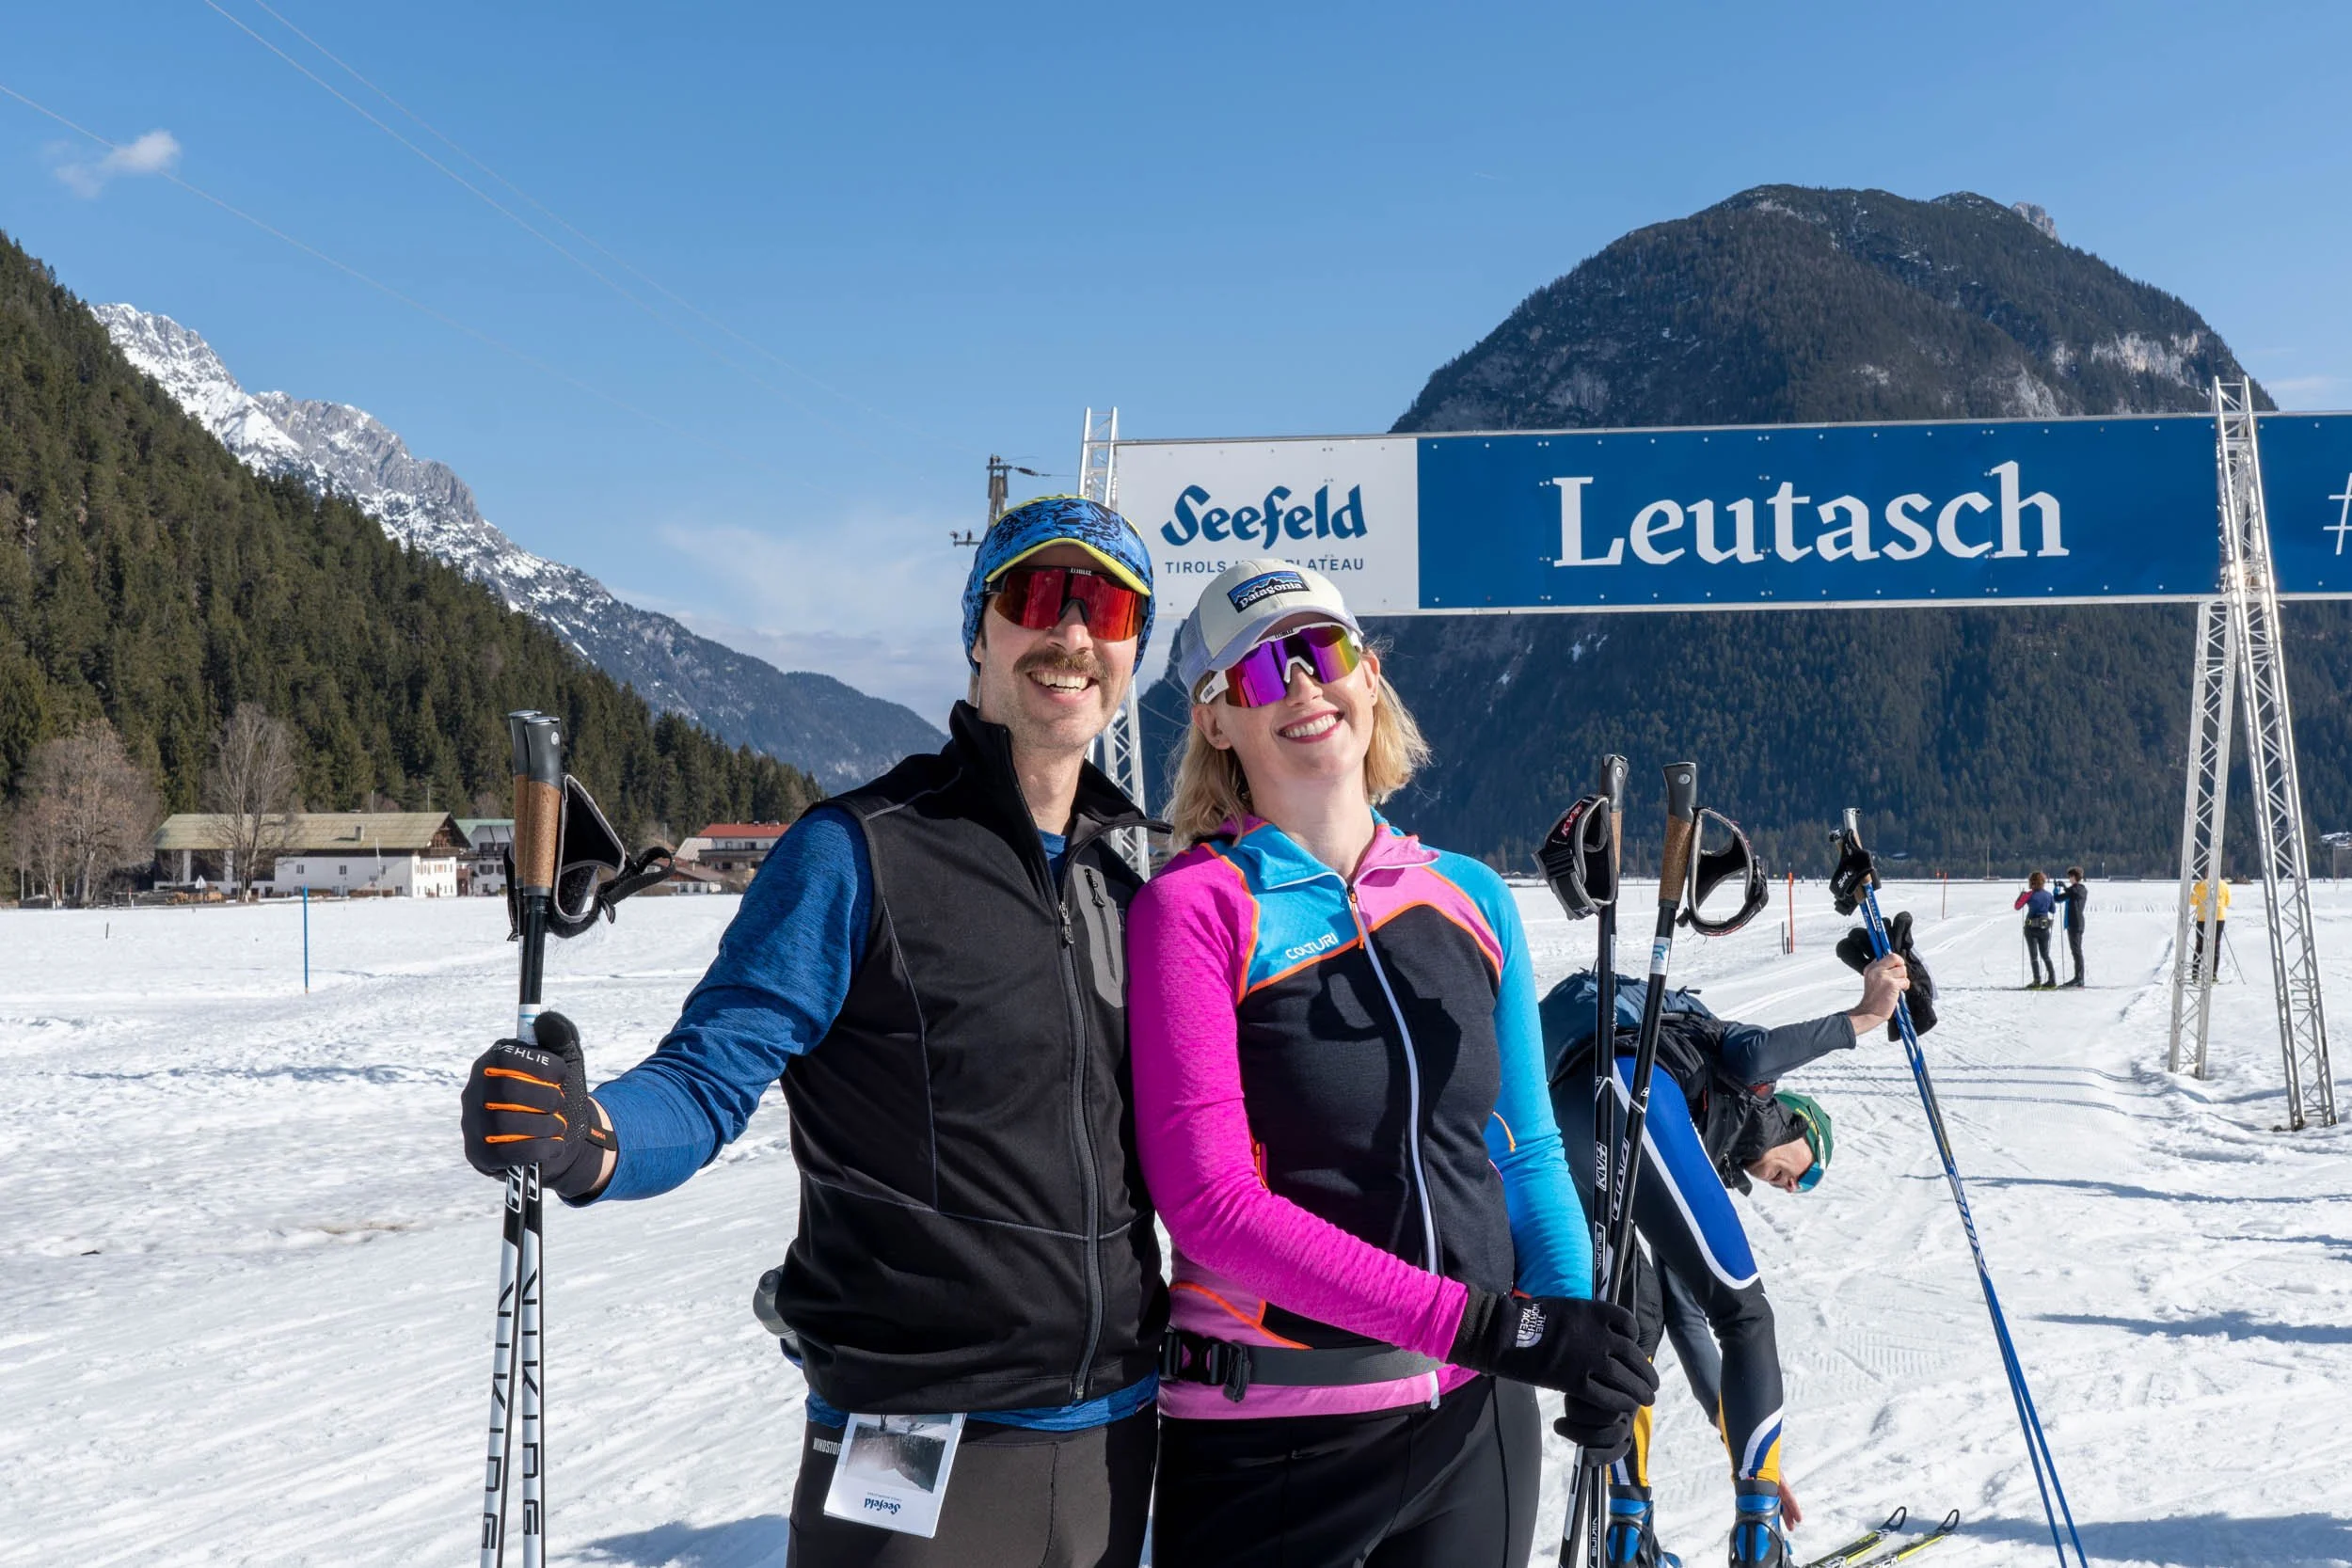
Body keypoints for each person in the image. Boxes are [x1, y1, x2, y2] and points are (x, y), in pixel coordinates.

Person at [460, 496, 1170, 1568]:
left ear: (1131, 652)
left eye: (1105, 607)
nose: (1071, 633)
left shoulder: (1127, 882)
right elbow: (707, 1075)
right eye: (1036, 596)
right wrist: (586, 1135)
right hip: (910, 1441)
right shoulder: (858, 852)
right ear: (980, 629)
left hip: (1118, 1438)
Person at [1127, 560, 1657, 1568]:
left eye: (1322, 651)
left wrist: (1570, 1321)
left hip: (1473, 1425)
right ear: (1215, 721)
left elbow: (1524, 1148)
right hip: (1270, 1437)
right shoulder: (1194, 908)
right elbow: (1211, 1208)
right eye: (1257, 672)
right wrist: (1500, 1326)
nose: (1300, 685)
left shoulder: (1465, 893)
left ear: (1368, 675)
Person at [1542, 914, 1927, 1568]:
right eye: (1804, 1170)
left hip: (1568, 1116)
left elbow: (1693, 1329)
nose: (1788, 1183)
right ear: (1802, 1125)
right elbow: (1755, 1053)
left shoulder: (1706, 1144)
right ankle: (1758, 1544)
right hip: (1629, 1085)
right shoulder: (1759, 1101)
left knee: (1633, 1326)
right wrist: (1863, 1017)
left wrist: (1747, 1446)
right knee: (1748, 1312)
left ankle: (1628, 1534)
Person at [2016, 870, 2058, 990]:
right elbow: (2053, 910)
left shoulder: (2029, 895)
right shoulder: (2048, 895)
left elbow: (2017, 906)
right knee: (2045, 955)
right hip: (2044, 928)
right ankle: (2052, 980)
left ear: (2032, 882)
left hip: (2031, 928)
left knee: (2034, 956)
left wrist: (2021, 896)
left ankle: (2037, 981)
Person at [2189, 874, 2231, 978]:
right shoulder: (2224, 885)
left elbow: (2192, 901)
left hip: (2203, 918)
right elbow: (2227, 902)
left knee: (2200, 945)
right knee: (2216, 945)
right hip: (2219, 917)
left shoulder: (2200, 885)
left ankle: (2195, 973)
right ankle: (2213, 974)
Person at [2056, 866, 2090, 988]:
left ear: (2075, 877)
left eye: (2070, 876)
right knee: (2076, 951)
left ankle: (2079, 978)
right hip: (2074, 924)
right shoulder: (2074, 890)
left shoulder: (2079, 889)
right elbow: (2058, 899)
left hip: (2076, 923)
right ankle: (2078, 977)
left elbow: (2073, 892)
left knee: (2077, 952)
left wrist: (2064, 888)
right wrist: (2056, 889)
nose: (2069, 879)